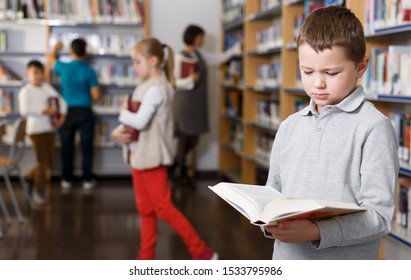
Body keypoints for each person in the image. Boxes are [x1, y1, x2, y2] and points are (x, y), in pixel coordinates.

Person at [263, 5, 399, 259]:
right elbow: (272, 196)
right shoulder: (289, 127)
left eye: (331, 72)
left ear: (360, 67)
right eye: (307, 71)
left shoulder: (374, 128)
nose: (318, 83)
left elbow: (379, 217)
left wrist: (315, 231)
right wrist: (267, 221)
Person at [111, 37, 218, 260]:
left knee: (164, 208)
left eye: (137, 62)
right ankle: (146, 256)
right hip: (137, 156)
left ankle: (202, 252)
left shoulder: (156, 89)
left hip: (152, 157)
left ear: (153, 61)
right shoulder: (143, 86)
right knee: (145, 209)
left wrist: (121, 112)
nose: (134, 67)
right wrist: (117, 132)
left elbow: (139, 121)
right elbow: (133, 121)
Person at [170, 24, 241, 188]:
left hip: (196, 102)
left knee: (193, 138)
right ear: (194, 37)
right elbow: (173, 82)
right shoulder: (179, 56)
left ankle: (174, 167)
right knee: (184, 138)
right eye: (201, 36)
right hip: (184, 102)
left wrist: (234, 50)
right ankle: (179, 172)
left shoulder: (199, 54)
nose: (203, 40)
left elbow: (217, 58)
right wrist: (190, 81)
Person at [48, 38, 100, 192]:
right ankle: (87, 179)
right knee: (86, 147)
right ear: (85, 52)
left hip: (67, 112)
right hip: (84, 111)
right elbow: (96, 96)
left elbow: (50, 59)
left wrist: (56, 48)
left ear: (71, 52)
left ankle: (67, 179)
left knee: (67, 146)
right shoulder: (90, 71)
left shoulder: (64, 67)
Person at [18, 60, 67, 205]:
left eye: (41, 72)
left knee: (48, 161)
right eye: (35, 73)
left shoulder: (47, 88)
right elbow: (24, 111)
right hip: (35, 131)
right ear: (28, 74)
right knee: (42, 161)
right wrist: (44, 111)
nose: (39, 76)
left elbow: (62, 102)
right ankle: (39, 190)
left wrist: (62, 116)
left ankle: (28, 178)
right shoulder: (25, 91)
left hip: (50, 129)